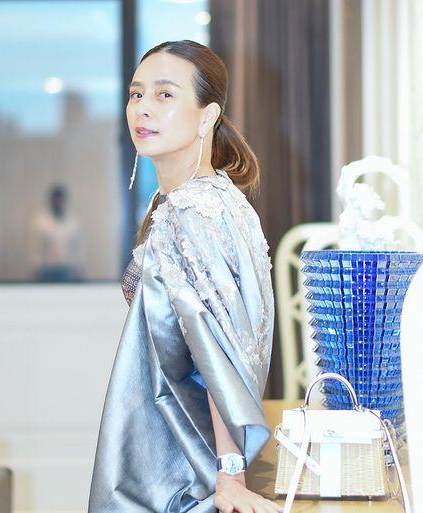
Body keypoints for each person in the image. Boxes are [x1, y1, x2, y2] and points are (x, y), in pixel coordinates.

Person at [88, 40, 280, 513]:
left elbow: (219, 349)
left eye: (165, 95)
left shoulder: (193, 210)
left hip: (182, 464)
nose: (143, 108)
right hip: (172, 446)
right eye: (136, 94)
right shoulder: (199, 199)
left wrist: (229, 475)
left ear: (207, 115)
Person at [29, 184, 85, 281]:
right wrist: (35, 271)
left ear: (65, 201)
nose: (58, 202)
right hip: (47, 271)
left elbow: (77, 248)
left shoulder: (73, 221)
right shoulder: (40, 221)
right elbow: (35, 248)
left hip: (67, 270)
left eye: (61, 199)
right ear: (51, 200)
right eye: (56, 199)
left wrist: (79, 270)